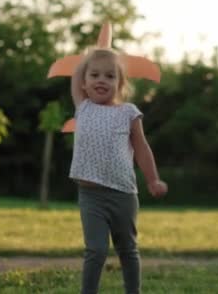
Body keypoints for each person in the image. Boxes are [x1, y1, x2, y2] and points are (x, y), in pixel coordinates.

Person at [69, 48, 168, 294]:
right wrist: (91, 53)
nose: (101, 80)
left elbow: (142, 148)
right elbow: (76, 72)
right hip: (90, 196)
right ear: (83, 83)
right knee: (96, 249)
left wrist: (153, 179)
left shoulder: (128, 113)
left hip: (123, 194)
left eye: (110, 76)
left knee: (127, 248)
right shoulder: (83, 107)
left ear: (120, 84)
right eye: (94, 75)